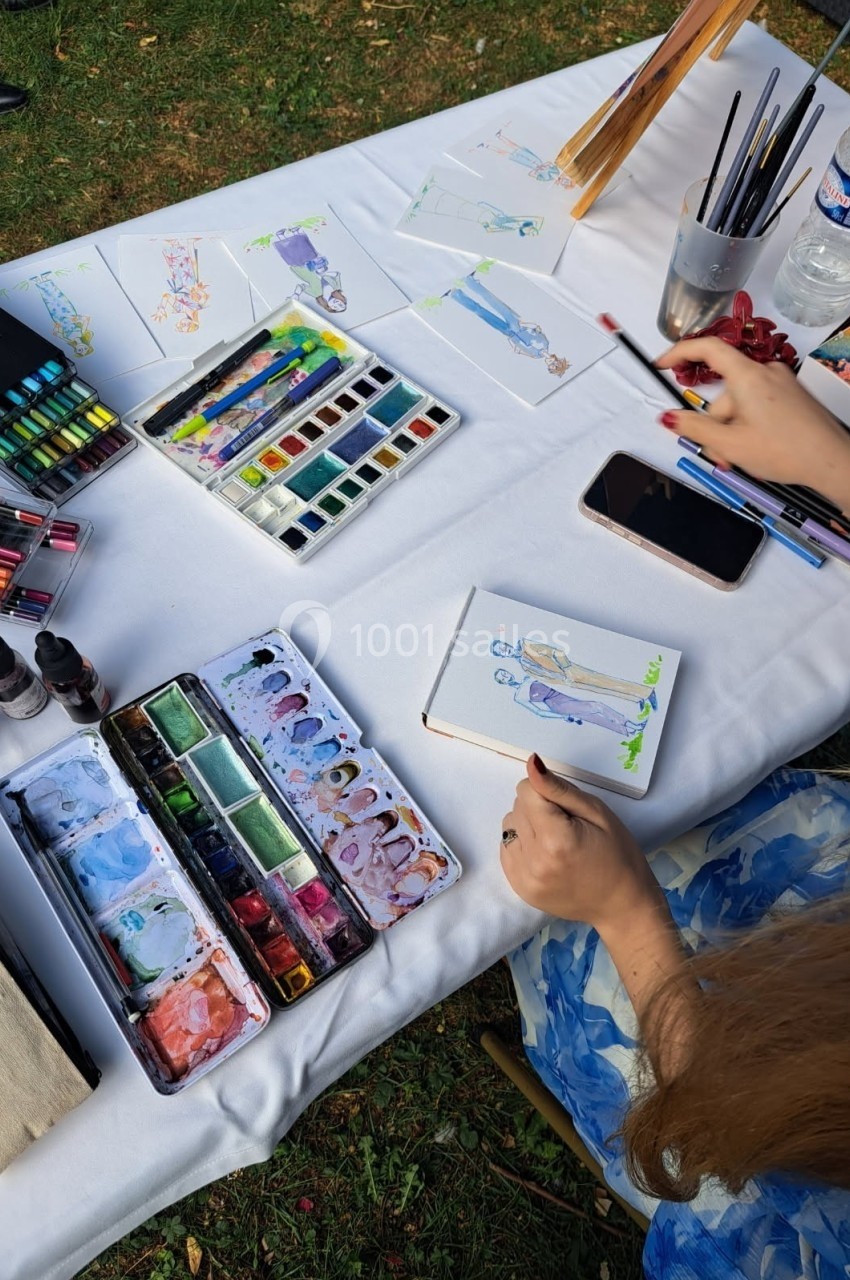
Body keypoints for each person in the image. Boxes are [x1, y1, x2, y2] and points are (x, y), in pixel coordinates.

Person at [501, 337, 850, 1280]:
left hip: (733, 1132)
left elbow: (723, 1149)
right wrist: (830, 464)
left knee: (560, 904)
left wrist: (626, 918)